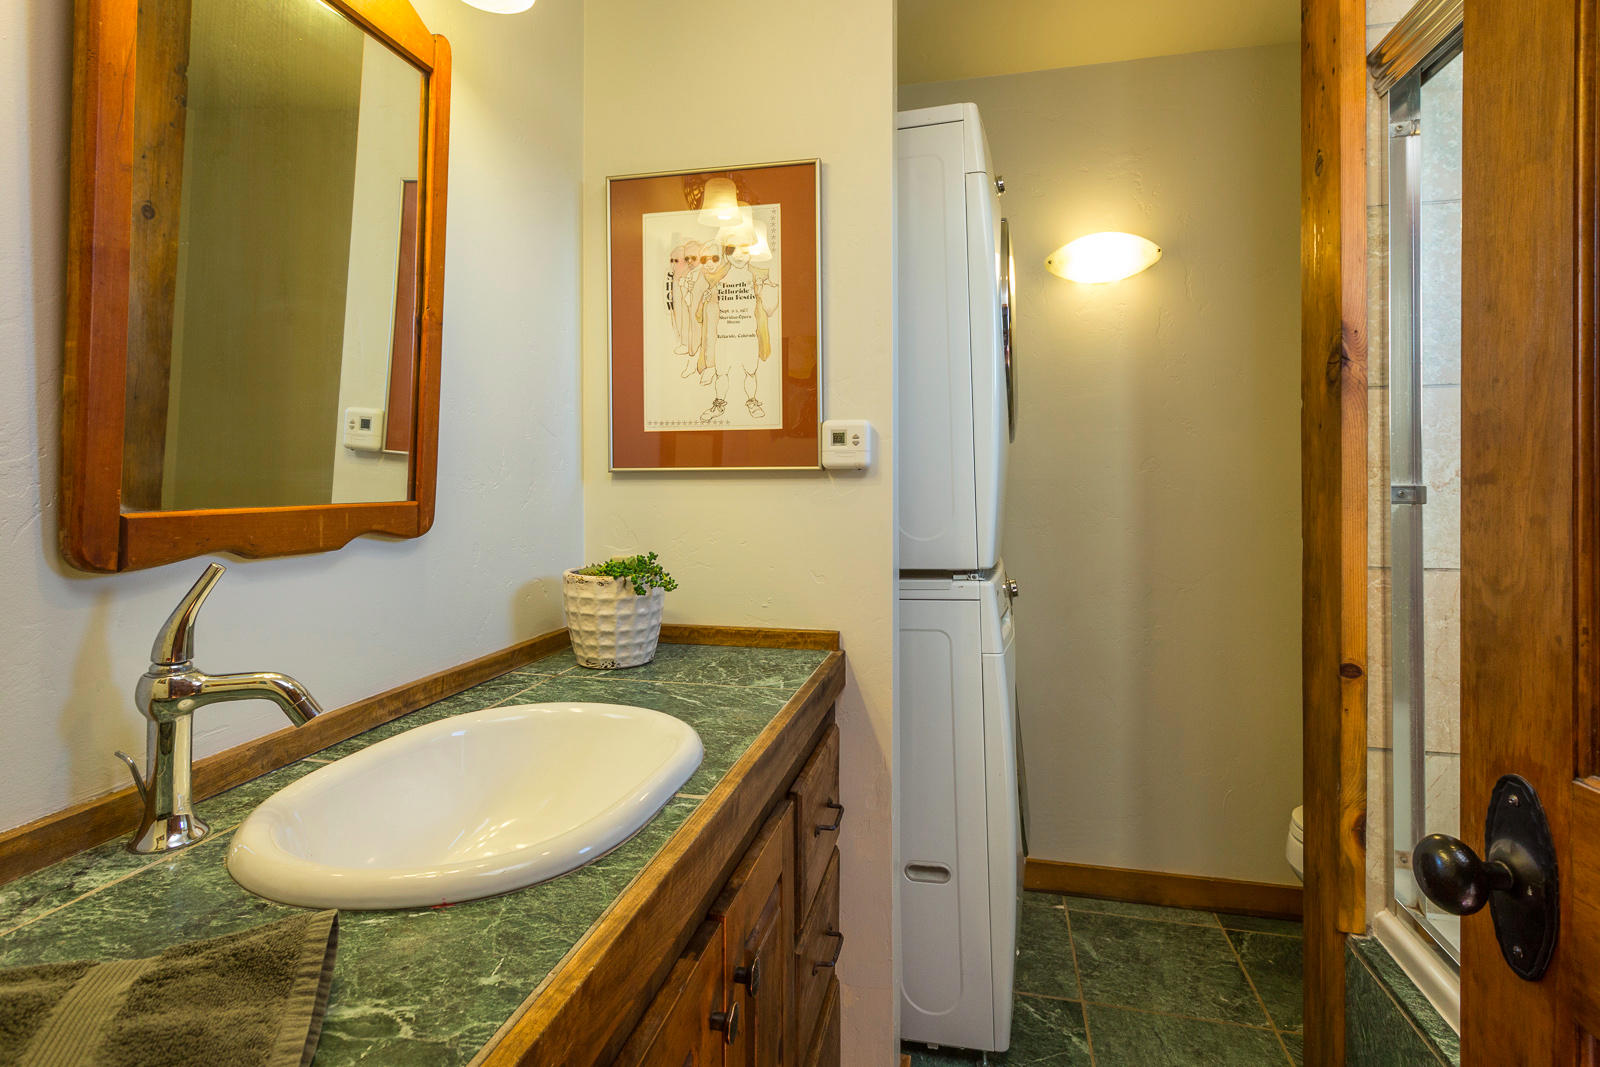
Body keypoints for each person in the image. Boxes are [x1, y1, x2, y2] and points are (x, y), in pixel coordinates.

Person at [696, 224, 779, 422]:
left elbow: (770, 308)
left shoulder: (759, 275)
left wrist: (769, 290)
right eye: (733, 249)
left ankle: (752, 400)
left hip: (748, 335)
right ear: (726, 252)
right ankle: (719, 404)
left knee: (750, 372)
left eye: (745, 249)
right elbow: (706, 311)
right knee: (721, 373)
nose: (739, 255)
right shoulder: (716, 277)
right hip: (724, 337)